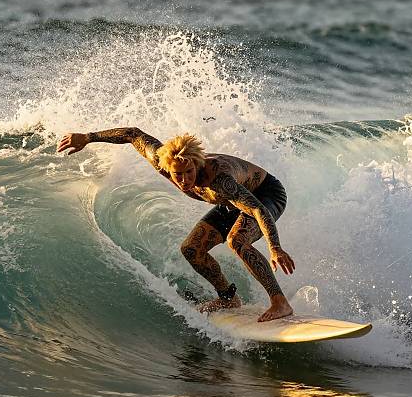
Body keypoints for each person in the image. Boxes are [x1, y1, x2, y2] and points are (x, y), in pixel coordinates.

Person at [57, 128, 295, 322]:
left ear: (197, 164)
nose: (183, 180)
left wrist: (275, 247)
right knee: (192, 249)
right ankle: (228, 298)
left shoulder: (219, 178)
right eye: (177, 175)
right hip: (232, 203)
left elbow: (256, 209)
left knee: (237, 241)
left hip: (265, 195)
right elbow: (133, 134)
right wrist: (88, 138)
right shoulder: (163, 162)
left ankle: (280, 302)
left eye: (189, 172)